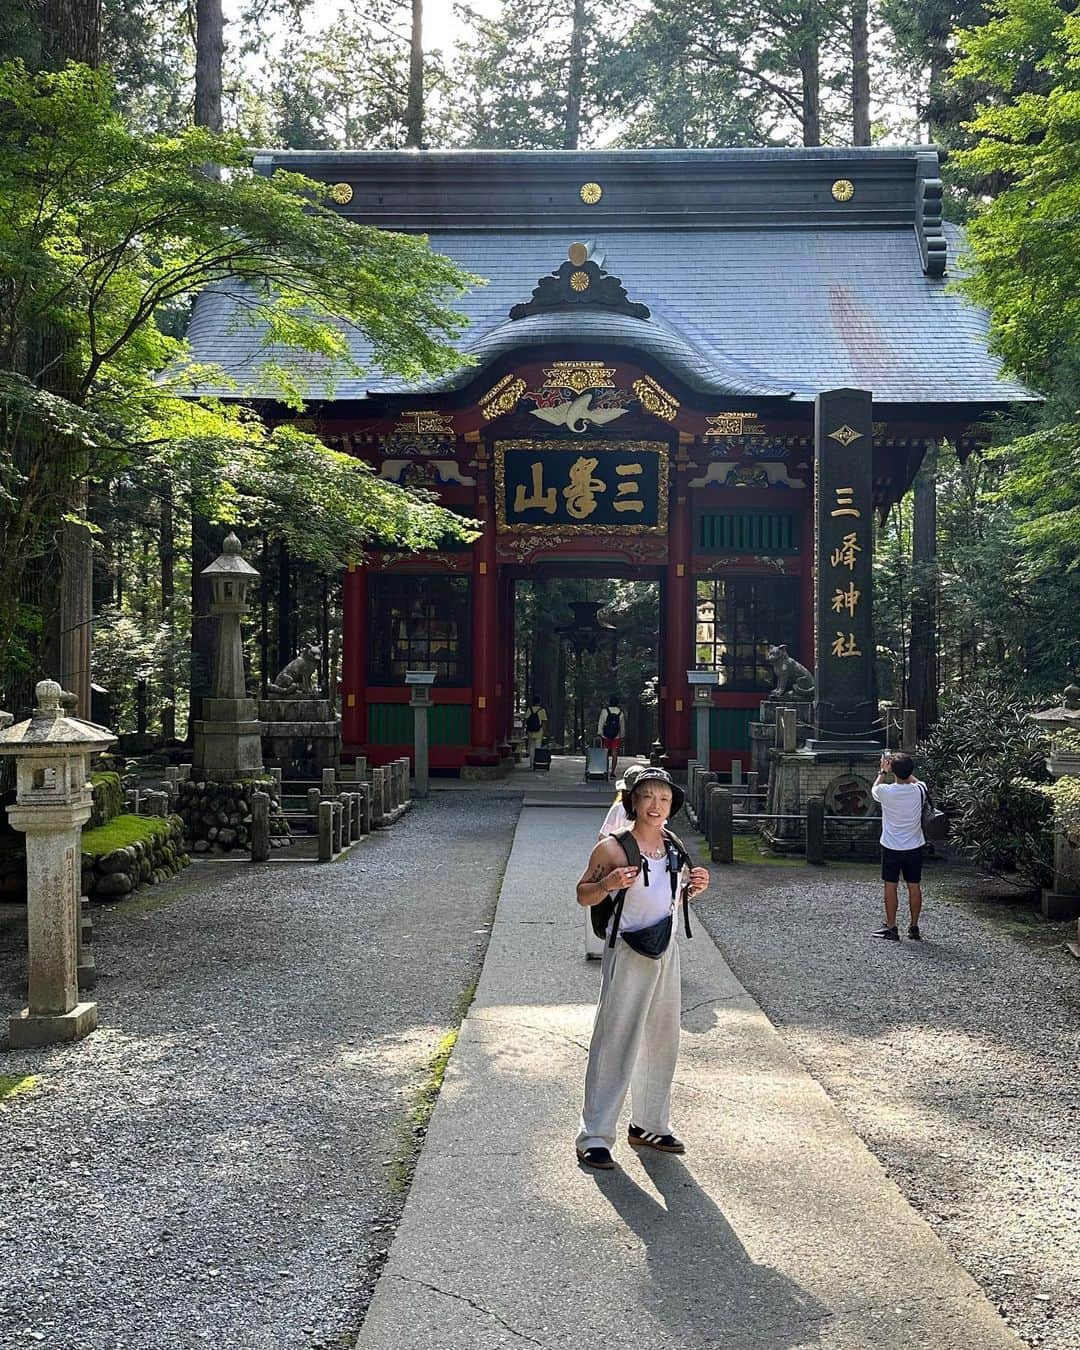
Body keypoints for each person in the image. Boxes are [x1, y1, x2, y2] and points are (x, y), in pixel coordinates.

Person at [574, 767, 711, 1170]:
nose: (656, 805)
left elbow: (669, 899)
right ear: (633, 801)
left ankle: (649, 1124)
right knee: (614, 1041)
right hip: (628, 950)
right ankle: (594, 1135)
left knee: (662, 1040)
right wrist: (608, 883)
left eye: (664, 798)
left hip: (664, 949)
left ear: (672, 805)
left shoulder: (672, 845)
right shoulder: (613, 848)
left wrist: (692, 890)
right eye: (648, 797)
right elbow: (583, 894)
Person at [585, 763, 646, 961]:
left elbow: (603, 837)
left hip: (618, 868)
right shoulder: (652, 811)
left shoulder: (618, 808)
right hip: (645, 868)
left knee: (618, 909)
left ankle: (614, 942)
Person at [871, 751, 926, 941]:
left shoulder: (886, 791)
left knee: (890, 886)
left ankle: (892, 926)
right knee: (914, 886)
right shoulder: (920, 789)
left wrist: (882, 771)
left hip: (891, 846)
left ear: (893, 770)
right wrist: (903, 770)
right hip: (914, 845)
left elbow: (874, 789)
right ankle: (914, 926)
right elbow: (914, 780)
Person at [596, 695, 626, 781]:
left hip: (605, 736)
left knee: (604, 753)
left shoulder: (605, 711)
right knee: (614, 754)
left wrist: (600, 733)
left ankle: (604, 770)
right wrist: (622, 735)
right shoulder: (620, 712)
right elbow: (622, 725)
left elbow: (601, 722)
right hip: (616, 736)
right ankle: (612, 772)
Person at [523, 696, 547, 770]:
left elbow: (525, 720)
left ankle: (531, 764)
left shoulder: (529, 709)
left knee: (531, 747)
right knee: (537, 747)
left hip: (530, 731)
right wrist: (545, 732)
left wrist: (525, 729)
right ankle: (536, 762)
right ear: (539, 702)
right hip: (539, 731)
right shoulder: (542, 710)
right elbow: (544, 722)